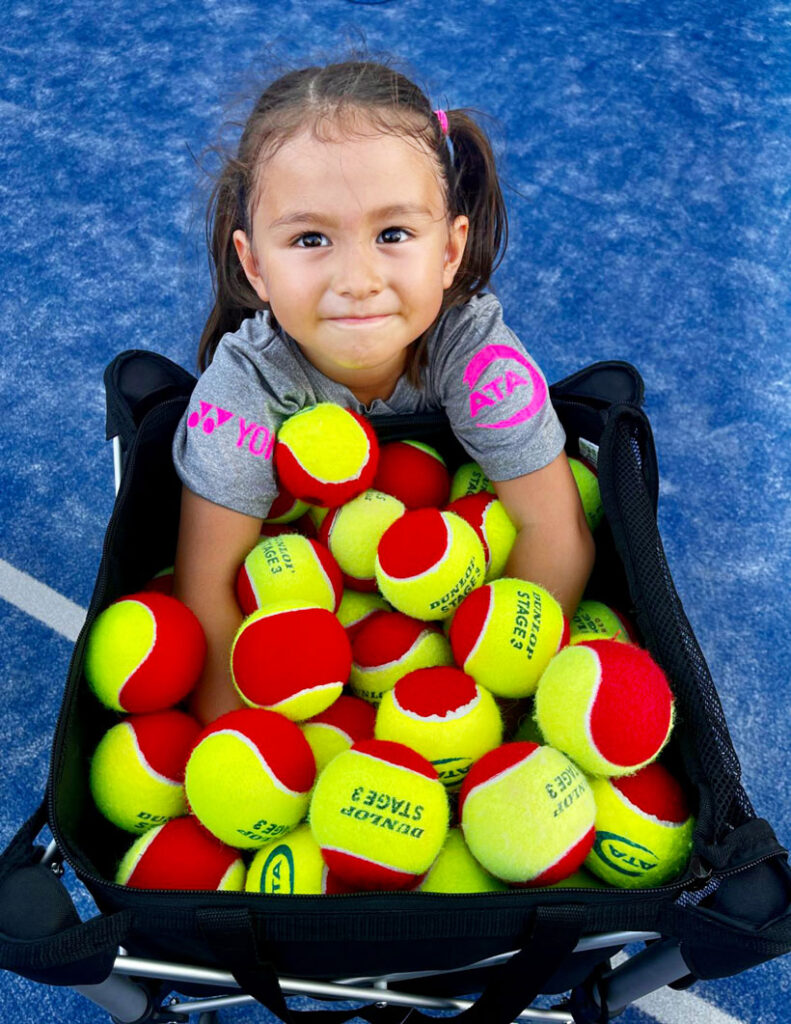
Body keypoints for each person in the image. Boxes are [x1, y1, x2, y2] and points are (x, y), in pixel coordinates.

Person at [172, 58, 596, 724]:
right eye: (310, 238)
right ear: (254, 264)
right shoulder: (242, 388)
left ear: (449, 252)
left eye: (392, 234)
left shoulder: (475, 352)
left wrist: (488, 715)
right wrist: (245, 745)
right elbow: (209, 593)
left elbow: (556, 531)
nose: (358, 278)